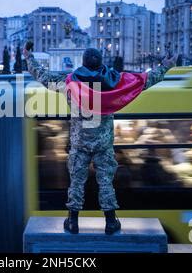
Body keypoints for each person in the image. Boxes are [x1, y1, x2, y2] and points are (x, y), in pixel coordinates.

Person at [24, 45, 177, 235]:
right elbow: (144, 80)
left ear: (83, 62)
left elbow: (42, 75)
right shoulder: (114, 81)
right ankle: (111, 222)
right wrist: (166, 65)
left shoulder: (69, 81)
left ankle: (72, 222)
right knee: (106, 182)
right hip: (103, 144)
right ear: (101, 62)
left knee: (77, 182)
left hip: (79, 143)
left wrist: (29, 56)